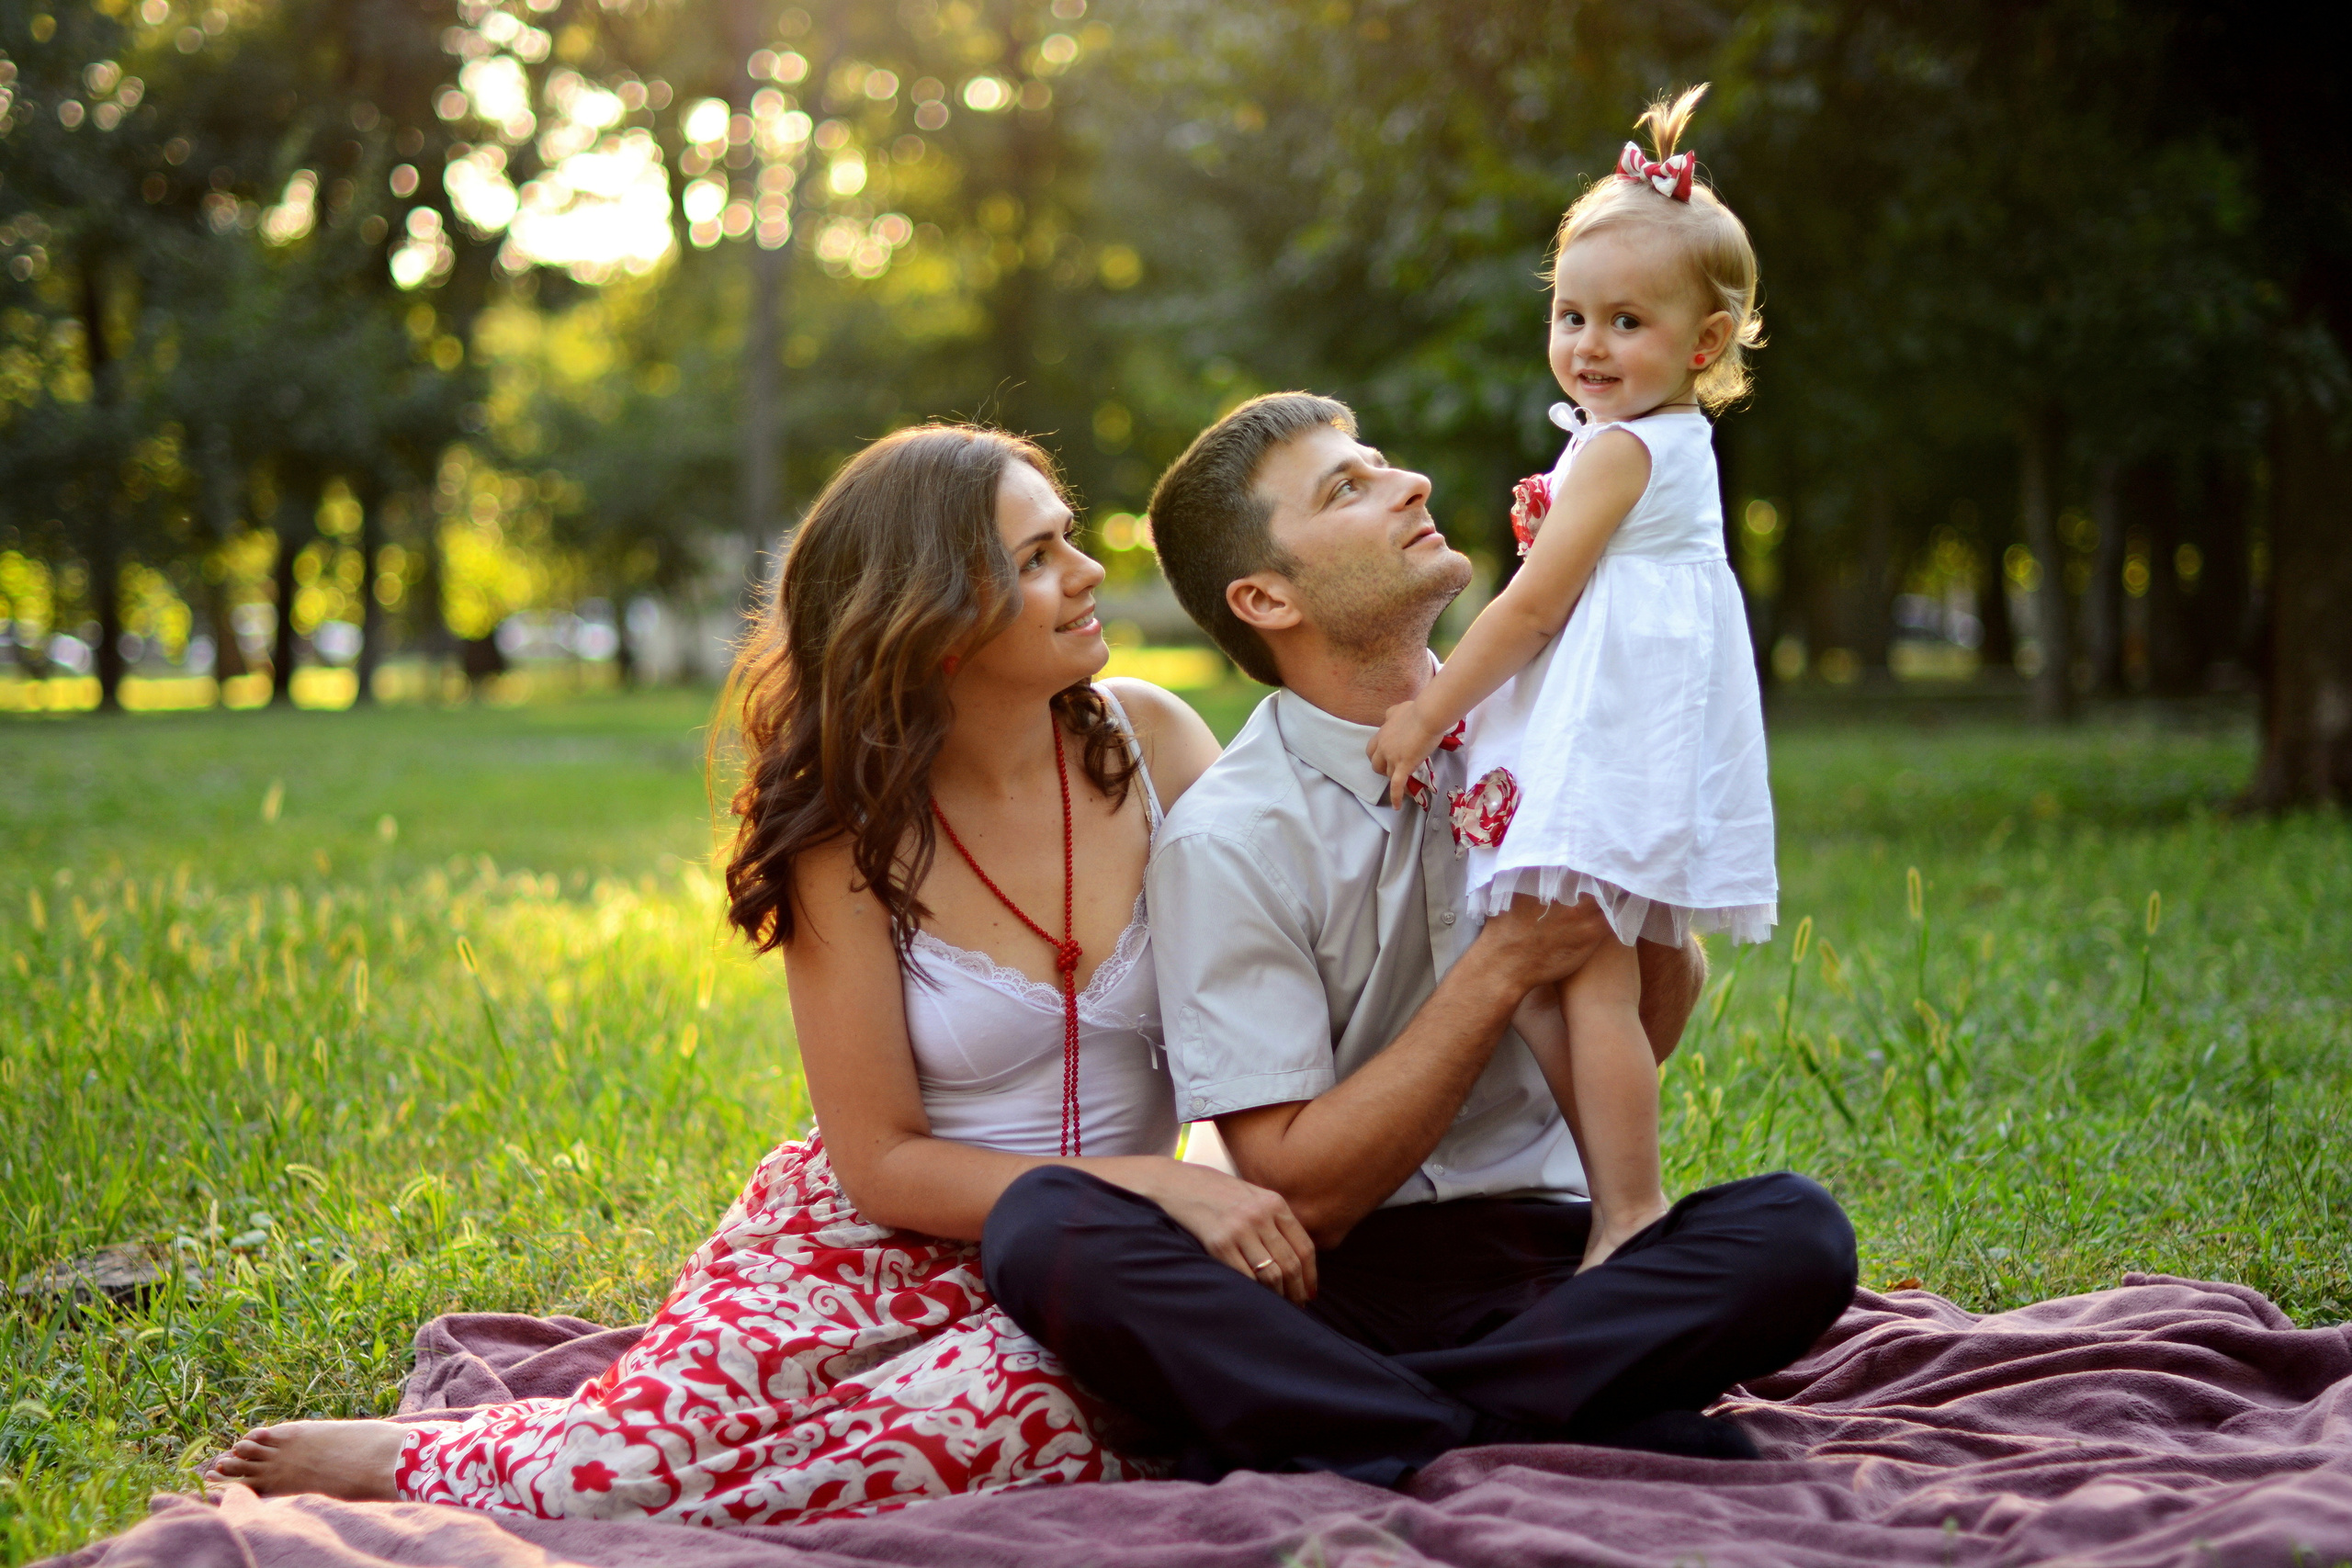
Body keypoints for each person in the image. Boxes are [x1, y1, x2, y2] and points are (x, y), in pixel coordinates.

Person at [205, 424, 1303, 1525]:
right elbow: (880, 1164)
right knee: (626, 1473)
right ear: (930, 623)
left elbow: (1267, 995)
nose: (1087, 571)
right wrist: (1155, 1180)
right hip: (868, 1244)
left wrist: (1198, 1187)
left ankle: (555, 1446)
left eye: (1065, 538)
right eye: (1033, 559)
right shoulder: (851, 832)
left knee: (1000, 1425)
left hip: (1089, 1267)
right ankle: (445, 1459)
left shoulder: (1151, 742)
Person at [980, 376, 1857, 1482]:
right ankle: (1549, 1420)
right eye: (1351, 486)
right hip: (1333, 1286)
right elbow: (1299, 1189)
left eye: (1384, 462)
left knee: (1795, 1233)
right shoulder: (1232, 836)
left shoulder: (1554, 731)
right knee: (1047, 1229)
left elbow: (1652, 1025)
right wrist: (1501, 967)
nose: (1414, 484)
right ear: (1266, 600)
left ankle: (1380, 1429)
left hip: (1561, 1261)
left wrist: (1635, 902)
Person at [1366, 85, 1777, 1273]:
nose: (1589, 345)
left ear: (1700, 346)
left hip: (1606, 729)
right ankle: (1594, 1167)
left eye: (1626, 323)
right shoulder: (1654, 438)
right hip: (1637, 718)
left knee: (1581, 975)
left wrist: (1429, 709)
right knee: (1560, 979)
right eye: (1570, 314)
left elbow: (1535, 605)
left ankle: (1628, 1206)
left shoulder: (1618, 444)